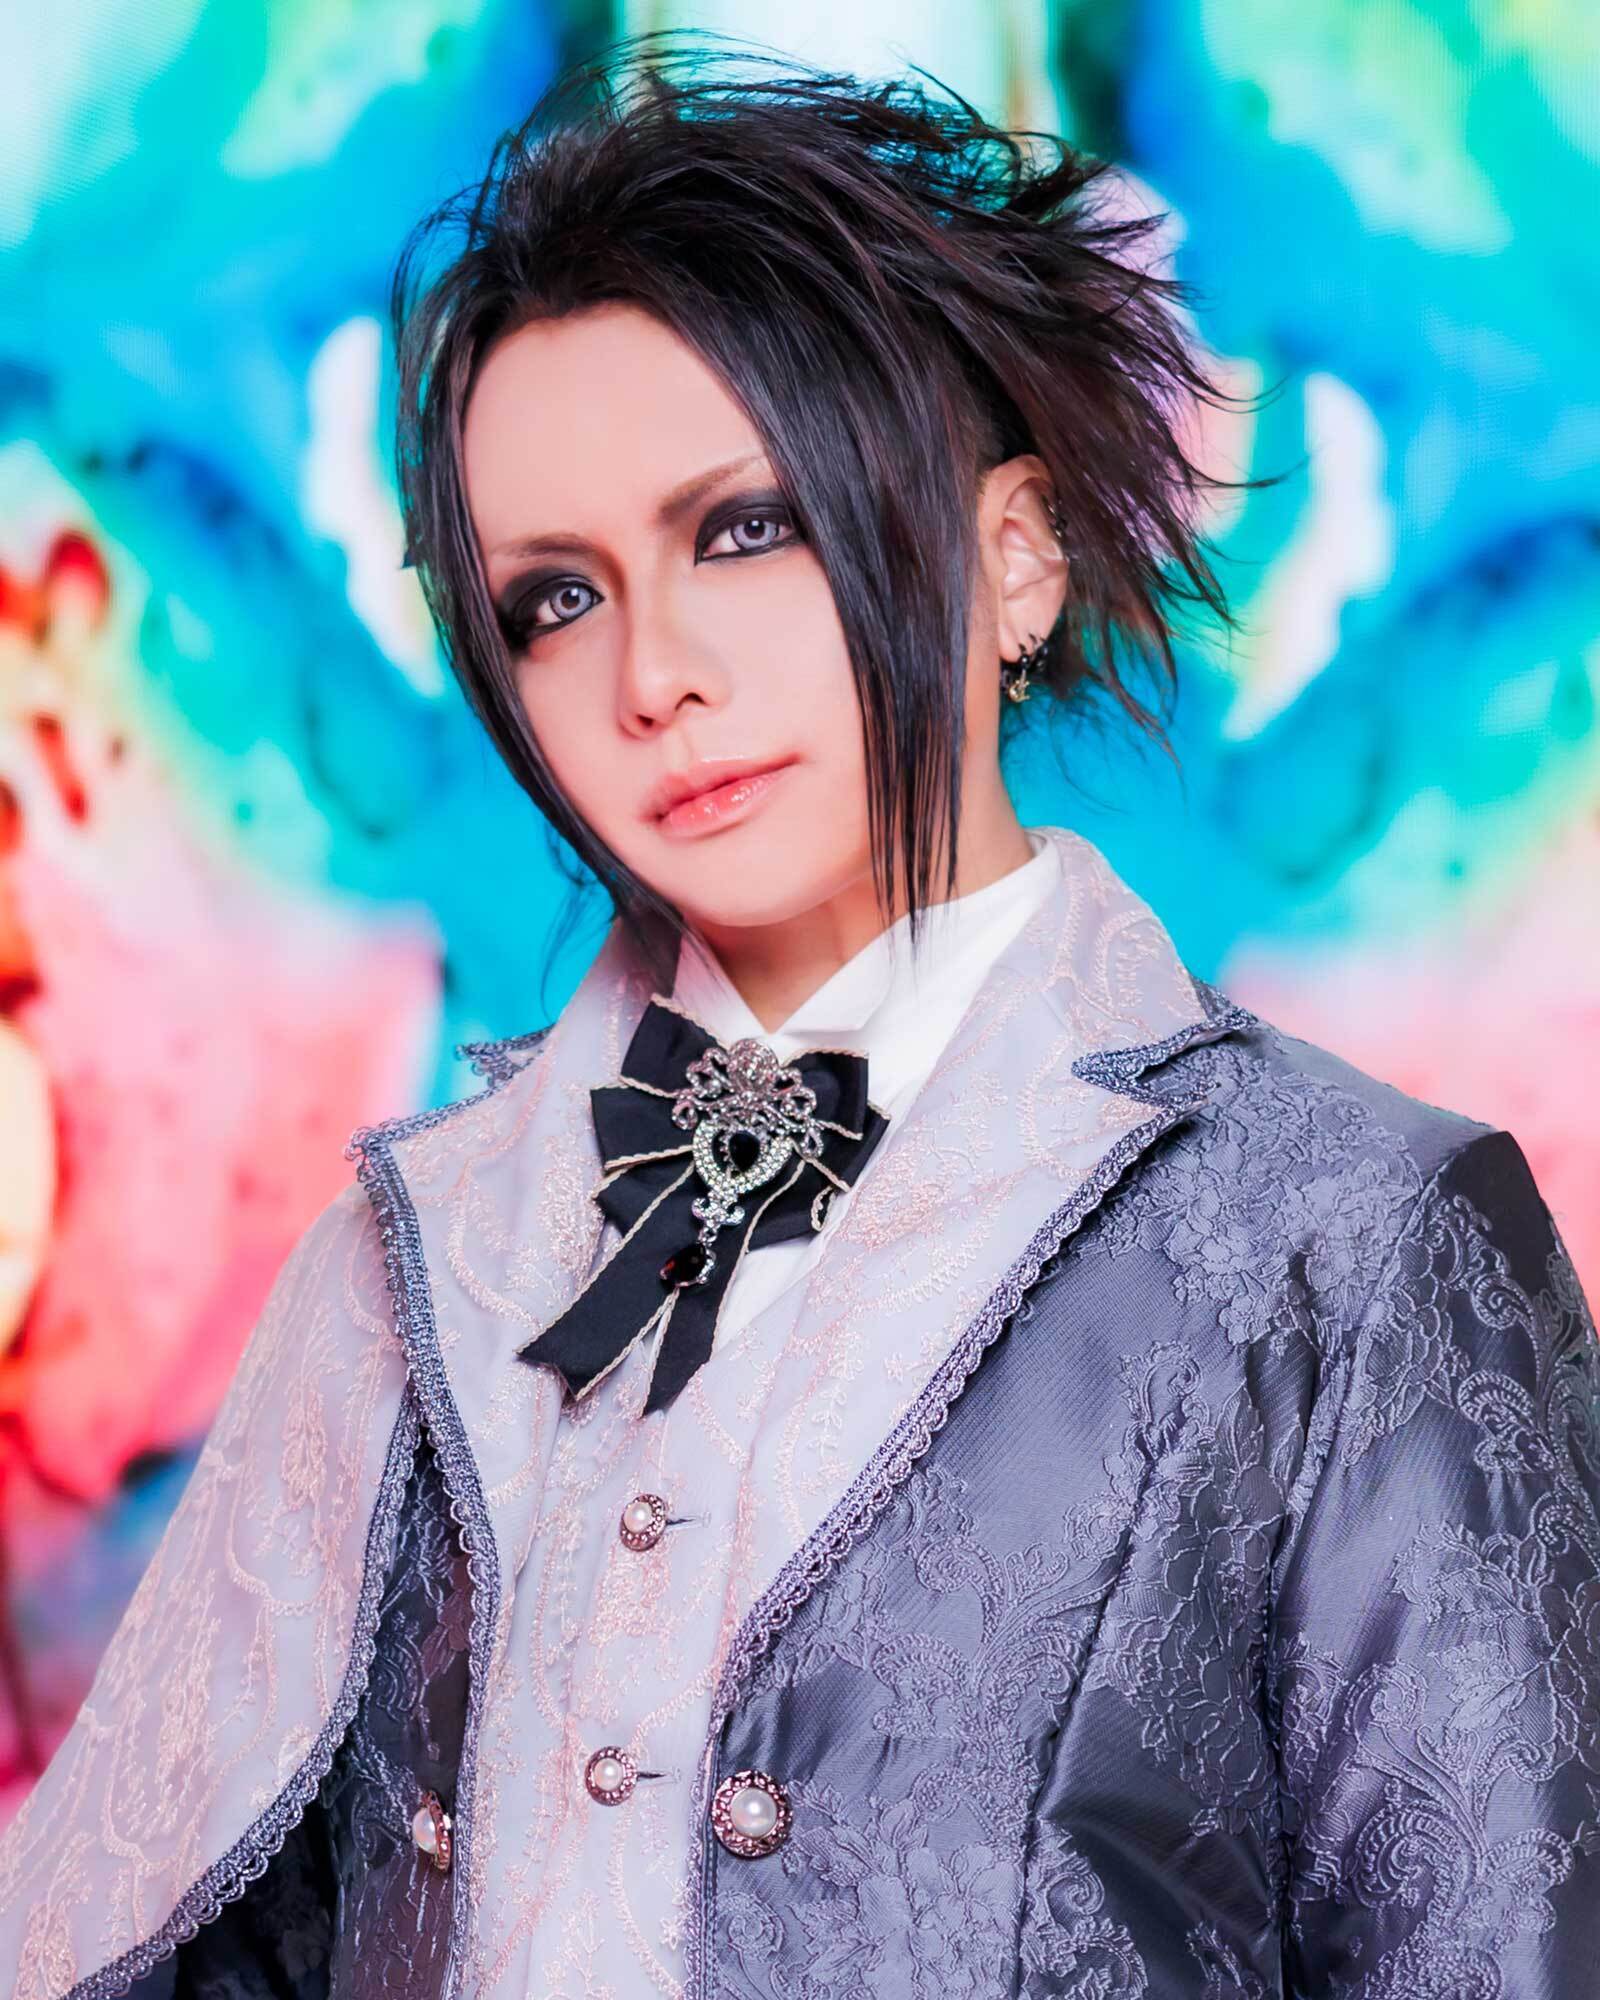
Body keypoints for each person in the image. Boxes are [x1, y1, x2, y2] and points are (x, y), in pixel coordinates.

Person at [5, 31, 1597, 2000]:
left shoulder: (1353, 1244)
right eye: (554, 598)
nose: (651, 674)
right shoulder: (407, 1260)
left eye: (742, 528)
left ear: (1015, 557)